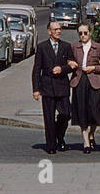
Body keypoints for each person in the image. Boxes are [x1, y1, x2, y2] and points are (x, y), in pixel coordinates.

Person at [32, 20, 77, 154]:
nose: (58, 31)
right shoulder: (42, 47)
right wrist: (36, 89)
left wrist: (62, 69)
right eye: (55, 29)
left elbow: (73, 65)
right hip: (47, 87)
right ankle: (51, 145)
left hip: (62, 86)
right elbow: (36, 70)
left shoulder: (66, 46)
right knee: (49, 118)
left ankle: (59, 135)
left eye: (59, 29)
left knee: (65, 114)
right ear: (49, 32)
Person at [70, 22, 100, 153]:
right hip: (79, 80)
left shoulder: (99, 47)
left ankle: (92, 133)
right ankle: (86, 142)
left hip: (94, 80)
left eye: (85, 33)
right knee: (82, 111)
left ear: (90, 33)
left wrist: (94, 68)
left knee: (94, 111)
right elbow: (68, 60)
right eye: (80, 33)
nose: (83, 35)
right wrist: (70, 62)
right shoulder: (74, 46)